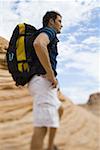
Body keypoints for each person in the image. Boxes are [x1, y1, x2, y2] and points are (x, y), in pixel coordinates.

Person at [28, 11, 63, 150]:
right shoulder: (49, 31)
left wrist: (53, 77)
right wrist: (50, 74)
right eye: (59, 21)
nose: (61, 25)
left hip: (41, 82)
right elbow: (39, 44)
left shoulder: (46, 32)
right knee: (41, 127)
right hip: (42, 80)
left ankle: (50, 146)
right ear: (51, 21)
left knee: (60, 109)